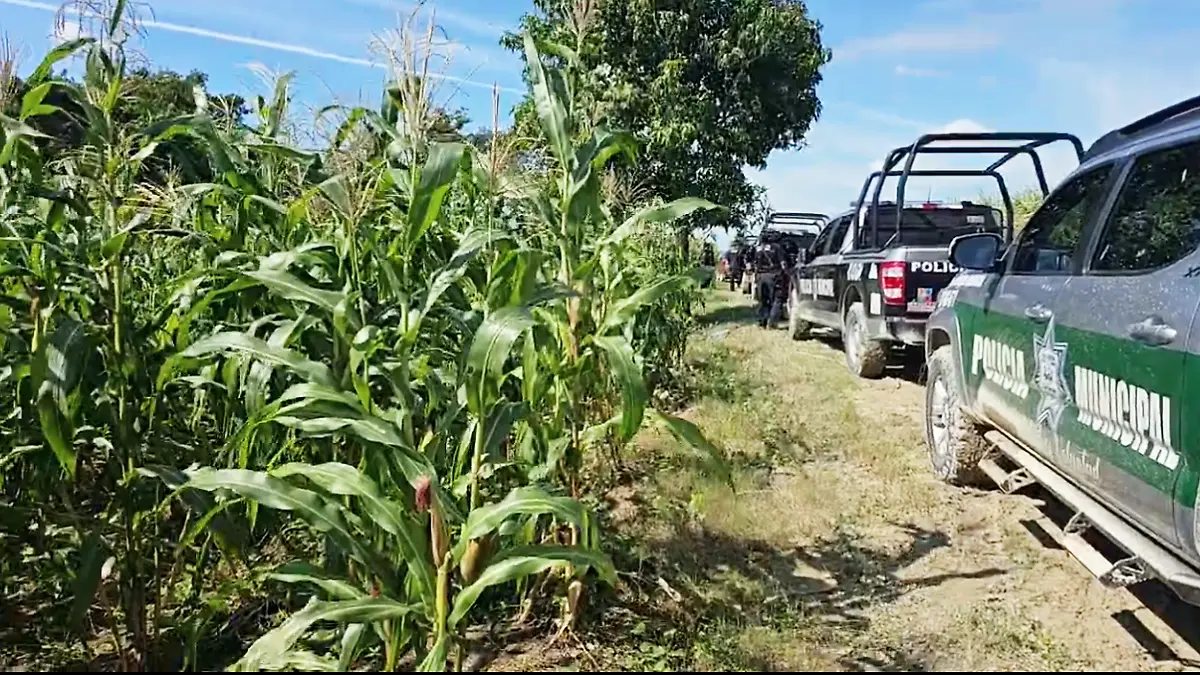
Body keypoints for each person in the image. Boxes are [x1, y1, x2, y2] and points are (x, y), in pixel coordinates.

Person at [755, 233, 789, 328]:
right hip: (774, 276)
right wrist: (787, 273)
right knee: (777, 299)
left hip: (761, 277)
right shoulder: (777, 248)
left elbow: (753, 263)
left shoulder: (757, 249)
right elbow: (783, 264)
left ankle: (762, 322)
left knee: (763, 300)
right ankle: (772, 323)